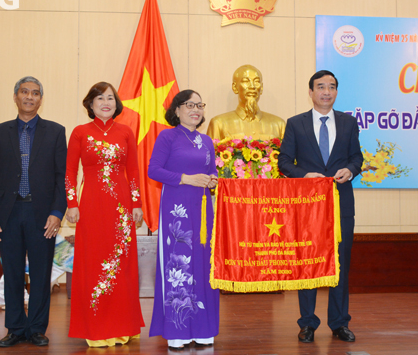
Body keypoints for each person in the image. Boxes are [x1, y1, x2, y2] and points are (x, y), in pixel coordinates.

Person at [278, 70, 363, 343]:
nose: (327, 91)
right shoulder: (295, 124)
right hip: (308, 205)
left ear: (336, 92)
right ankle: (307, 323)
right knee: (308, 263)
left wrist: (350, 171)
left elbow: (357, 158)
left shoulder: (349, 123)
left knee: (340, 263)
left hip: (341, 203)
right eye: (321, 87)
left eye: (332, 87)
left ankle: (339, 323)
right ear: (311, 92)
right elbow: (284, 163)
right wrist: (304, 176)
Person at [0, 76, 67, 347]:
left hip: (42, 214)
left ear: (41, 99)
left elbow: (60, 177)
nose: (29, 97)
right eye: (24, 92)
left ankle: (37, 328)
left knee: (42, 273)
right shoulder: (0, 131)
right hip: (8, 213)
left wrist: (57, 211)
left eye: (35, 93)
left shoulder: (55, 131)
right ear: (16, 97)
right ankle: (16, 327)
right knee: (13, 272)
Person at [65, 82, 144, 347]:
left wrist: (137, 205)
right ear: (90, 103)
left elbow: (133, 172)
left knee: (121, 265)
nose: (106, 102)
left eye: (110, 98)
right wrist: (71, 203)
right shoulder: (80, 133)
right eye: (100, 98)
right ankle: (96, 326)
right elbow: (69, 173)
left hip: (121, 208)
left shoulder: (125, 132)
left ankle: (124, 325)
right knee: (93, 262)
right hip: (91, 205)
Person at [148, 89, 220, 350]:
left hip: (203, 211)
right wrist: (186, 178)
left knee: (203, 263)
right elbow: (153, 169)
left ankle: (203, 328)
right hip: (176, 210)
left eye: (200, 105)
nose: (196, 109)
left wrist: (213, 179)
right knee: (179, 265)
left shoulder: (207, 140)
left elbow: (211, 170)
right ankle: (177, 329)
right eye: (190, 104)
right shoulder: (167, 137)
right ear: (176, 110)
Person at [207, 64, 285, 141]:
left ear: (261, 88)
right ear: (235, 87)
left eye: (256, 81)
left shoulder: (278, 125)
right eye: (245, 81)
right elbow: (209, 152)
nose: (252, 86)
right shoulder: (219, 123)